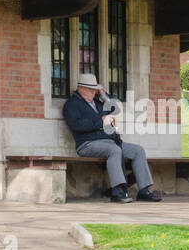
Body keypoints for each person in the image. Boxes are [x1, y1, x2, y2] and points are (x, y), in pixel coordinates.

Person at [61, 73, 162, 203]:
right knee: (114, 150)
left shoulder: (98, 102)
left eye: (95, 90)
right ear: (82, 89)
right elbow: (77, 126)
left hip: (110, 141)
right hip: (88, 144)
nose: (93, 93)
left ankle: (144, 191)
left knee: (138, 150)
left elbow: (115, 108)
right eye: (91, 90)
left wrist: (103, 93)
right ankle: (118, 191)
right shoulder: (72, 104)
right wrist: (101, 121)